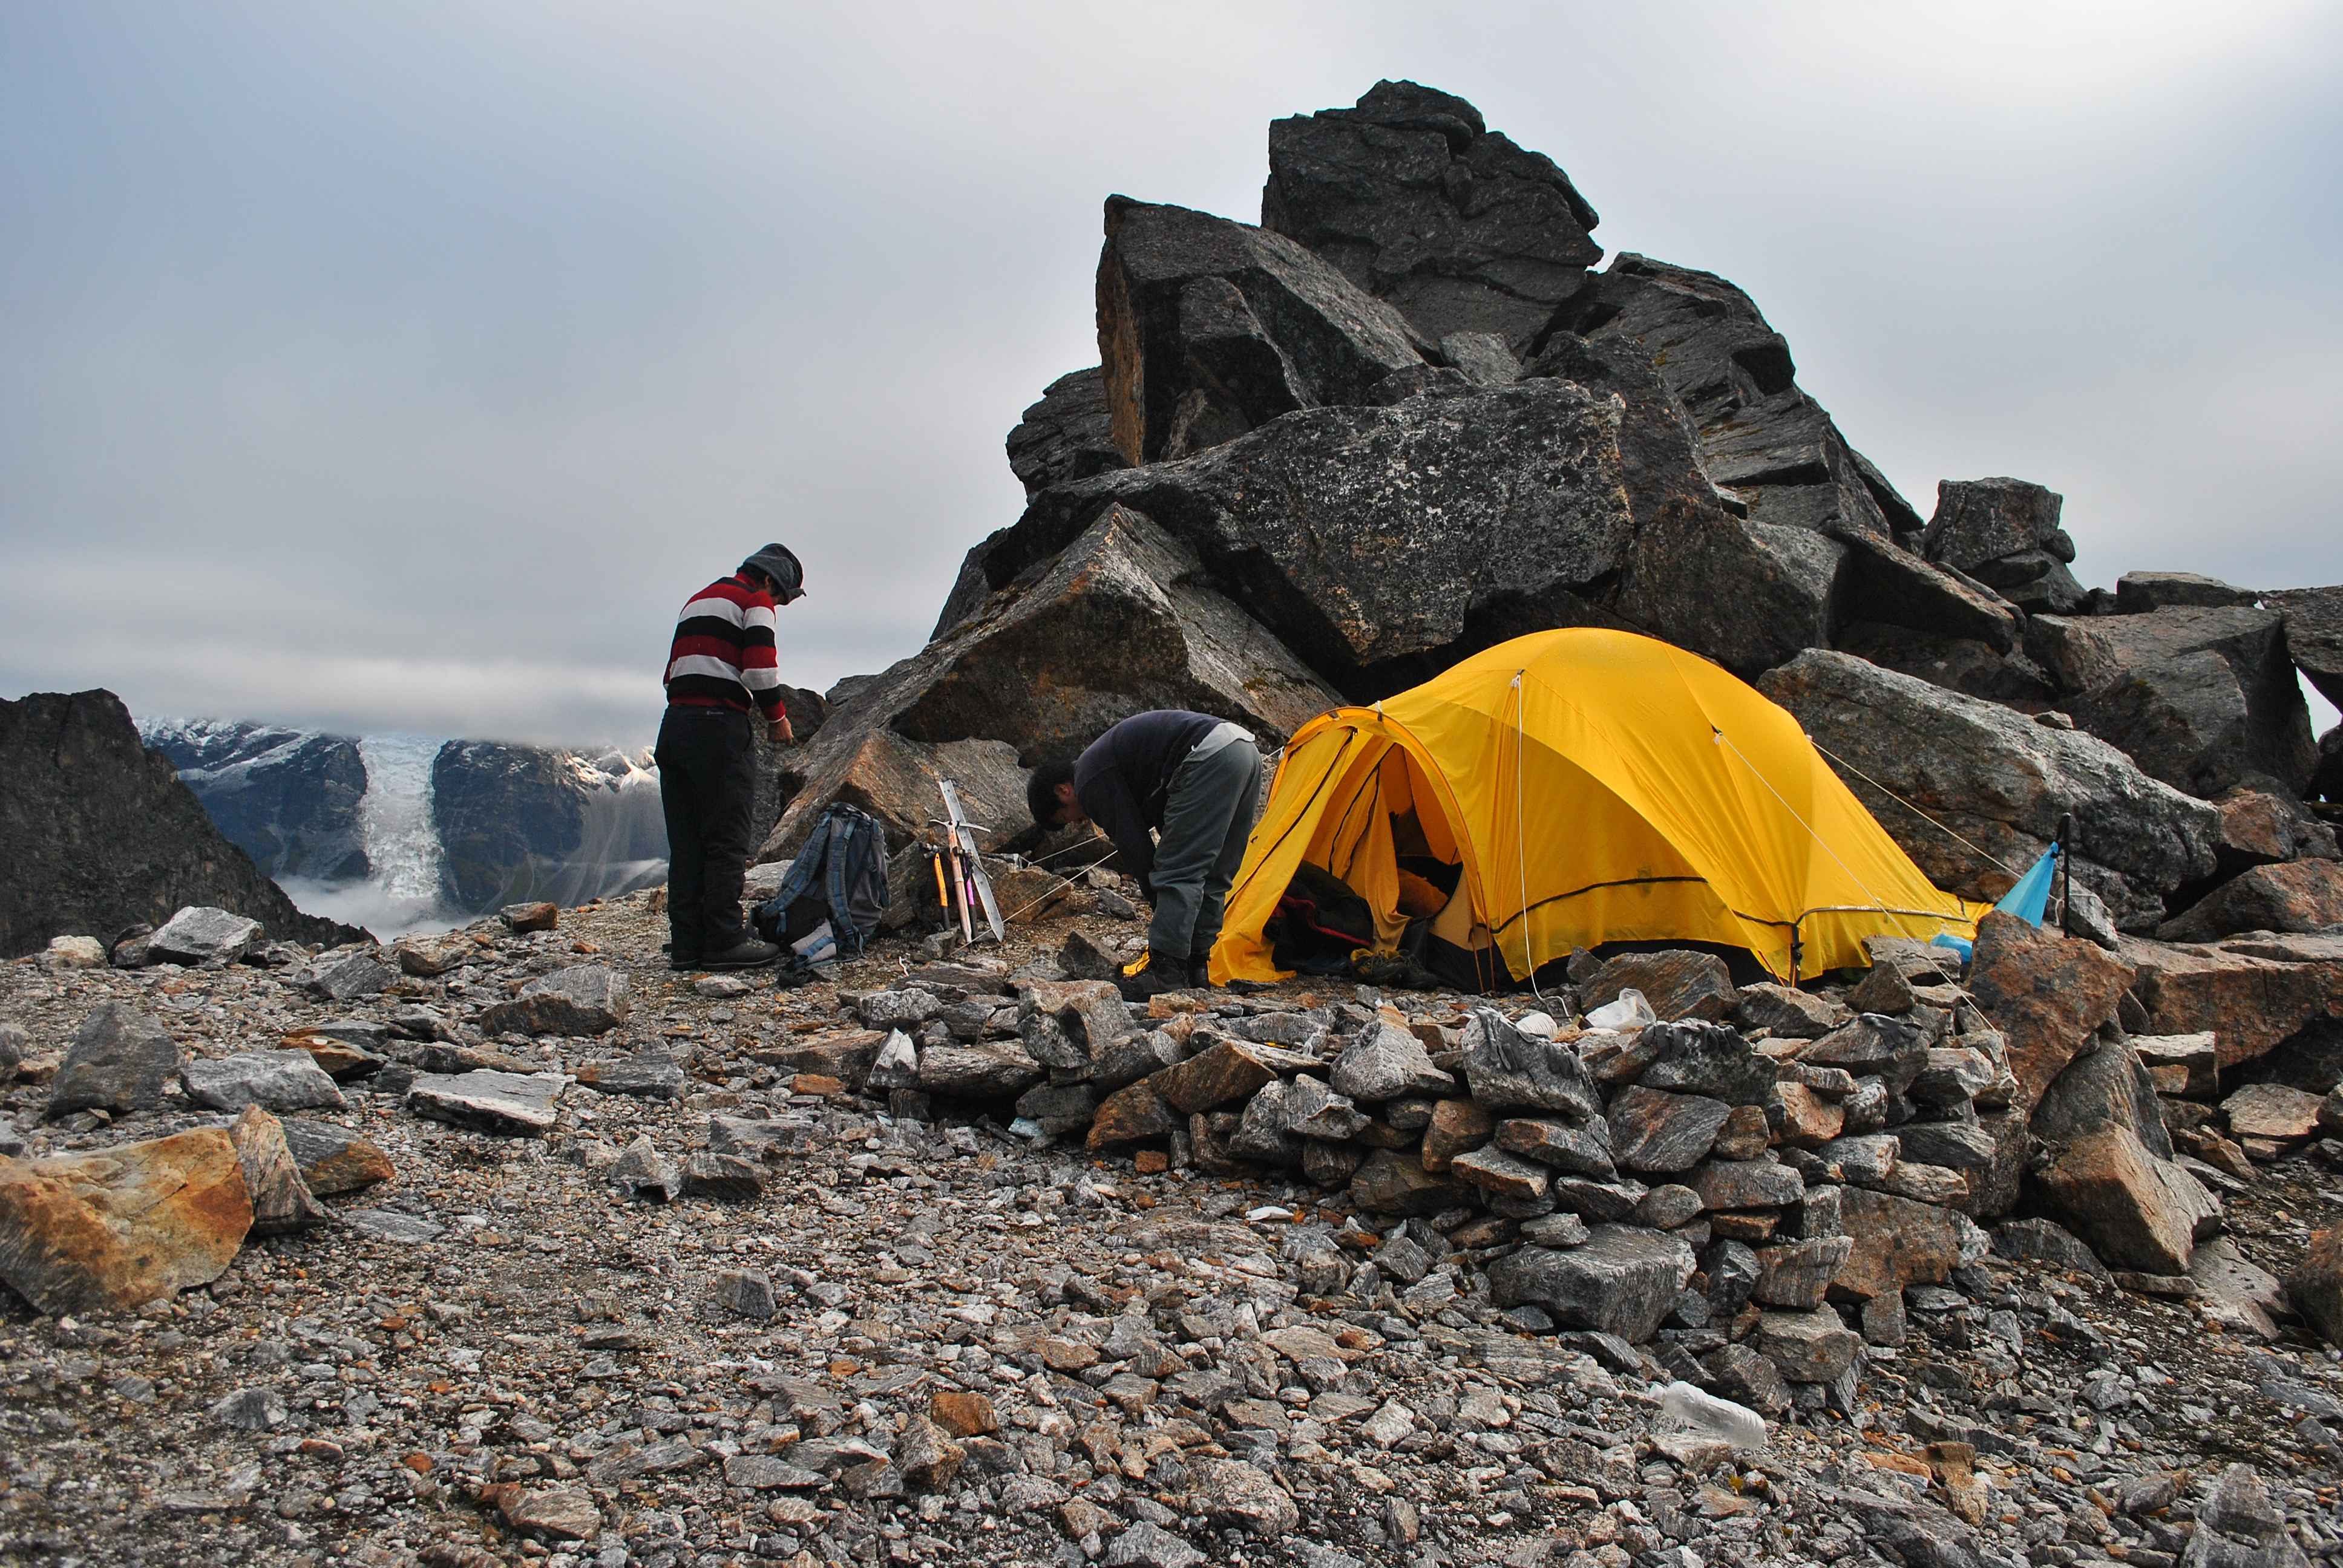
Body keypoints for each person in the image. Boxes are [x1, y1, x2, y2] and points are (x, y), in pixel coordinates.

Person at [1027, 710, 1263, 1000]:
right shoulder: (1109, 760)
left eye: (1067, 817)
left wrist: (1161, 900)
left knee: (1179, 871)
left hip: (1206, 757)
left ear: (1063, 791)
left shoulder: (1088, 779)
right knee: (1214, 872)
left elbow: (1134, 844)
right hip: (1244, 752)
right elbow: (1170, 816)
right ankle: (1196, 967)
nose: (1079, 822)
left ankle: (1167, 972)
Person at [657, 543, 804, 970]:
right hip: (718, 729)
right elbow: (759, 670)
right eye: (783, 597)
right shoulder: (754, 600)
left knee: (686, 841)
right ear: (769, 580)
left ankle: (687, 942)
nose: (779, 605)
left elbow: (671, 672)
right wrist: (777, 719)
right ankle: (723, 939)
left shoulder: (698, 600)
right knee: (726, 837)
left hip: (675, 726)